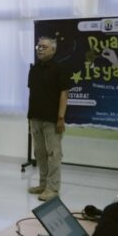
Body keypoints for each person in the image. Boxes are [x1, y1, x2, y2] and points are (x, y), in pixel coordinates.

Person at [27, 37, 69, 202]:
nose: (40, 49)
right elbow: (33, 93)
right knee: (40, 154)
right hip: (35, 118)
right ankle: (43, 184)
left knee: (53, 154)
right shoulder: (34, 69)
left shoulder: (60, 68)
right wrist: (29, 117)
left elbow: (64, 94)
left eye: (44, 47)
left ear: (53, 50)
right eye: (38, 46)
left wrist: (61, 118)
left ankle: (53, 188)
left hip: (52, 119)